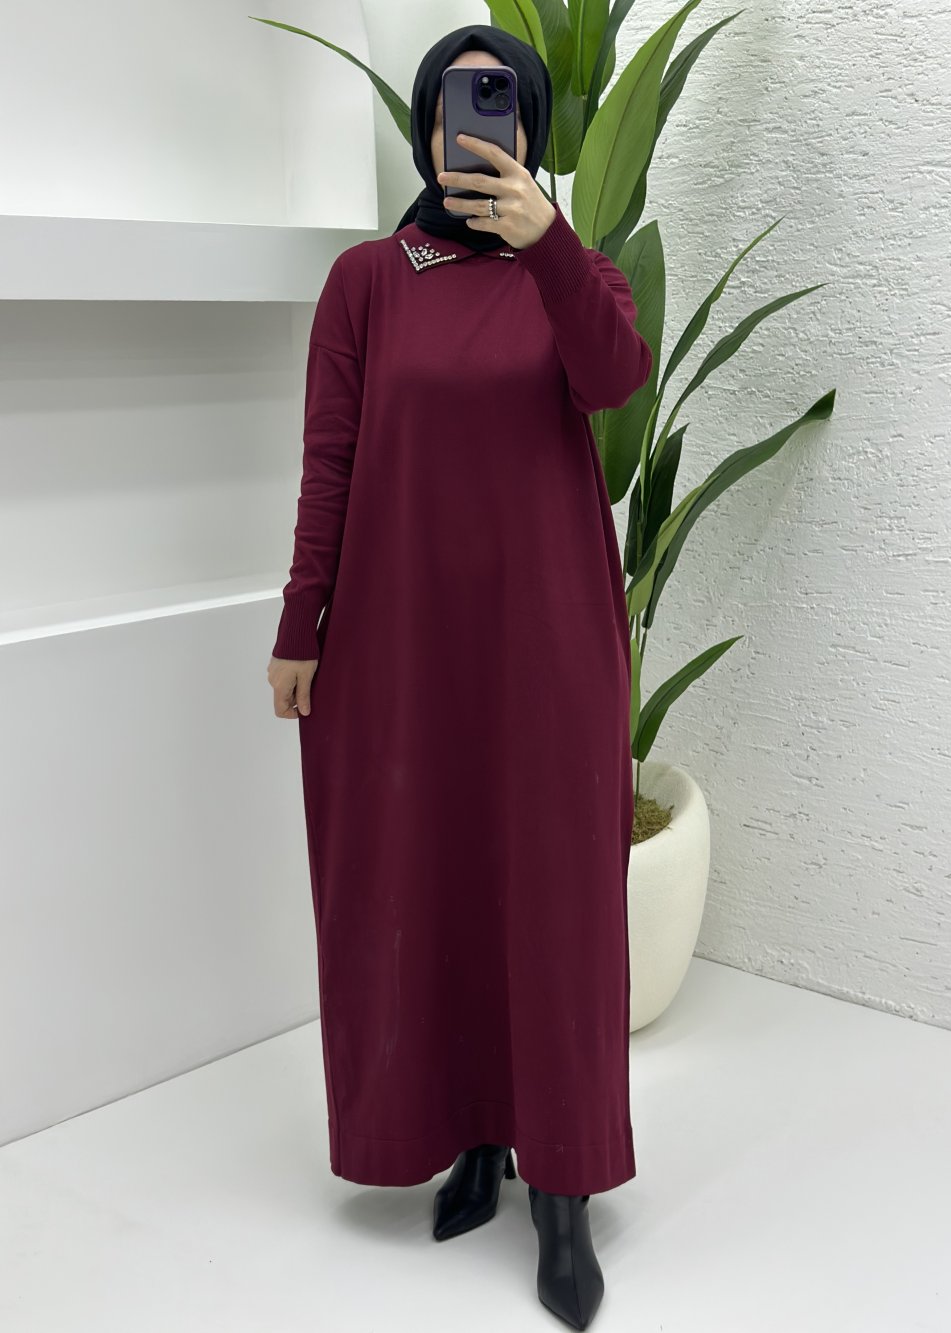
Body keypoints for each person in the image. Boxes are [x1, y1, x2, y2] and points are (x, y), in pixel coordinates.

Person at [266, 22, 652, 1331]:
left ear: (531, 132)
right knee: (428, 881)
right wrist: (301, 624)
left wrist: (549, 246)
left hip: (547, 648)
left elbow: (614, 380)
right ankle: (474, 1144)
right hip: (405, 644)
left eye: (497, 108)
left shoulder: (577, 276)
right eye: (449, 108)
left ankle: (565, 1189)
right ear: (425, 126)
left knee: (553, 902)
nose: (469, 131)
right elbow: (330, 459)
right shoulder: (367, 283)